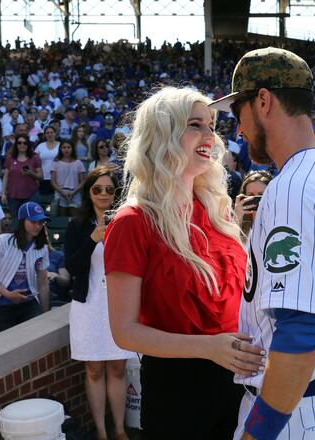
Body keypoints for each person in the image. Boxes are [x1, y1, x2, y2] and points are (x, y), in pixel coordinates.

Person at [210, 47, 315, 440]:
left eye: (239, 113)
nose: (238, 130)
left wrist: (257, 434)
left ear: (263, 100)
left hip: (297, 412)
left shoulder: (294, 187)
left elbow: (302, 329)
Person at [104, 87, 264, 438]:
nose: (210, 136)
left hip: (239, 382)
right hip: (178, 392)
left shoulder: (216, 210)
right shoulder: (132, 222)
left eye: (211, 126)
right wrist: (210, 347)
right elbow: (124, 332)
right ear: (163, 134)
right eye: (196, 125)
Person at [66, 166, 133, 440]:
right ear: (88, 192)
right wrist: (93, 240)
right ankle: (101, 432)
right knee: (94, 369)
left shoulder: (127, 221)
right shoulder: (77, 225)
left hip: (118, 304)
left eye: (109, 189)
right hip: (88, 304)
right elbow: (72, 267)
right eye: (97, 189)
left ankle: (119, 429)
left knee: (117, 367)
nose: (104, 194)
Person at [0, 202, 50, 333]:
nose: (38, 226)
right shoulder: (1, 241)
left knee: (33, 345)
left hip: (29, 302)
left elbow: (43, 283)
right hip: (1, 303)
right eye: (33, 221)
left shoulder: (42, 247)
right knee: (6, 347)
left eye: (41, 222)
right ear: (22, 221)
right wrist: (8, 294)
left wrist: (45, 313)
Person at [2, 135, 42, 222]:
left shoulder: (35, 158)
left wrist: (31, 173)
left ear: (28, 144)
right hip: (13, 195)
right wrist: (3, 194)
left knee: (31, 220)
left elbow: (40, 176)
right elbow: (6, 176)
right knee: (16, 221)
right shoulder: (10, 158)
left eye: (25, 143)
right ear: (16, 144)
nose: (22, 145)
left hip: (31, 195)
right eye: (19, 143)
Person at [233, 170, 272, 240]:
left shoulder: (278, 219)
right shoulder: (239, 221)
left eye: (261, 195)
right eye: (251, 195)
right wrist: (237, 218)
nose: (256, 199)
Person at [50, 141, 86, 217]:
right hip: (60, 194)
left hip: (75, 194)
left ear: (72, 149)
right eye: (64, 147)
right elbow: (53, 181)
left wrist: (73, 192)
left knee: (75, 219)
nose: (66, 149)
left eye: (68, 147)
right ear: (60, 149)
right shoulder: (55, 162)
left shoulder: (78, 163)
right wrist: (62, 192)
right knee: (62, 219)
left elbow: (82, 181)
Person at [35, 125, 61, 194]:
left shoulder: (61, 145)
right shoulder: (40, 146)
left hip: (58, 178)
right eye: (47, 133)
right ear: (45, 135)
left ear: (55, 133)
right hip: (43, 178)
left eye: (52, 132)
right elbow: (35, 162)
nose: (50, 134)